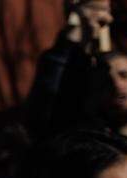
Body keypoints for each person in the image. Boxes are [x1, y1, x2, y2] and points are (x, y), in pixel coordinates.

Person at [25, 0, 113, 141]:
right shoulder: (57, 60)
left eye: (108, 11)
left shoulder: (101, 60)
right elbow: (48, 106)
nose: (108, 18)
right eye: (98, 9)